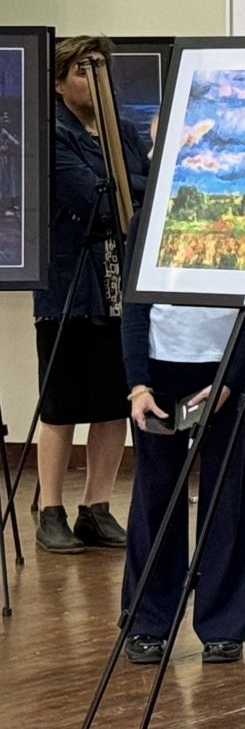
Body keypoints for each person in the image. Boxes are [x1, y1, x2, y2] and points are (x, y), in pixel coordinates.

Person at [32, 36, 149, 556]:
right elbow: (96, 196)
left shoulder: (122, 131)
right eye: (83, 70)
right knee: (61, 405)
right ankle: (50, 509)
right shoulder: (51, 135)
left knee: (114, 403)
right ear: (59, 84)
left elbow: (140, 188)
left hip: (122, 285)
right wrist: (132, 187)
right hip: (71, 287)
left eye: (101, 69)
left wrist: (131, 187)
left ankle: (96, 508)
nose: (94, 79)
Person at [121, 297, 245, 663]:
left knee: (226, 499)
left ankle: (223, 625)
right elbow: (133, 302)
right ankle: (148, 620)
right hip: (159, 371)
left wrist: (233, 380)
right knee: (154, 497)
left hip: (225, 368)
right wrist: (138, 383)